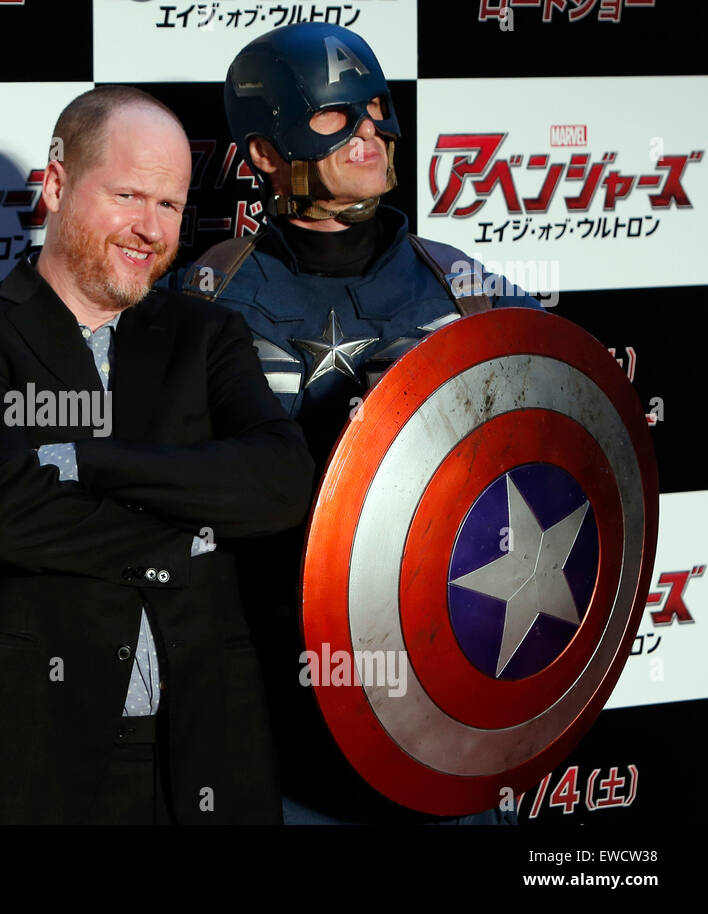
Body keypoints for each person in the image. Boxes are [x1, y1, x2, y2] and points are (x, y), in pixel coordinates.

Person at [0, 85, 316, 824]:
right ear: (58, 184)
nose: (150, 229)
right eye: (129, 195)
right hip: (35, 759)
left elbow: (282, 486)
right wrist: (199, 526)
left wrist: (87, 460)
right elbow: (8, 520)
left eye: (169, 205)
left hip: (210, 756)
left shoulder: (206, 336)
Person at [165, 23, 541, 825]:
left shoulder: (474, 295)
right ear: (266, 153)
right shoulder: (195, 308)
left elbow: (555, 469)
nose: (369, 131)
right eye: (335, 117)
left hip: (454, 717)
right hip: (271, 728)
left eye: (376, 109)